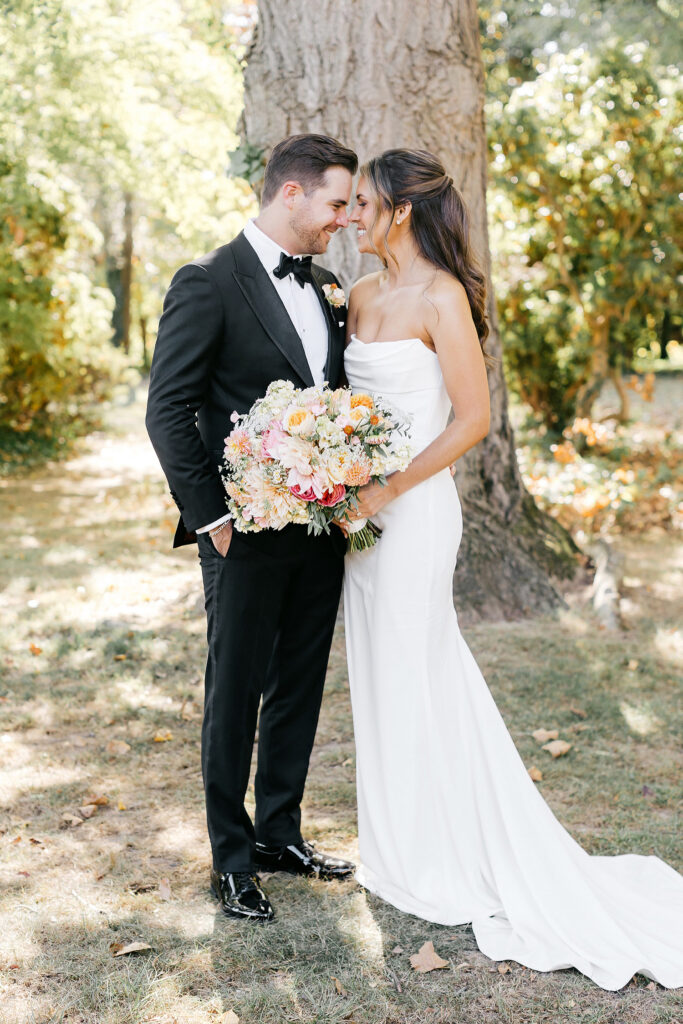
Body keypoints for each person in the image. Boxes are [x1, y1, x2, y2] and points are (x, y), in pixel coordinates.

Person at [341, 148, 683, 990]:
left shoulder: (440, 296)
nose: (350, 216)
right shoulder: (356, 296)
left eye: (364, 204)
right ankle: (396, 844)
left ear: (402, 213)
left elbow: (471, 420)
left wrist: (386, 486)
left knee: (420, 667)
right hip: (357, 516)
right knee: (377, 674)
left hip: (414, 514)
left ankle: (446, 845)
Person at [146, 134, 358, 922]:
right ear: (291, 193)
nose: (343, 218)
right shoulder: (207, 281)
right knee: (234, 691)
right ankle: (231, 860)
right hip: (241, 528)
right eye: (336, 202)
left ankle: (279, 834)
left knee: (299, 681)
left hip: (317, 525)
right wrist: (212, 518)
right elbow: (167, 410)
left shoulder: (331, 285)